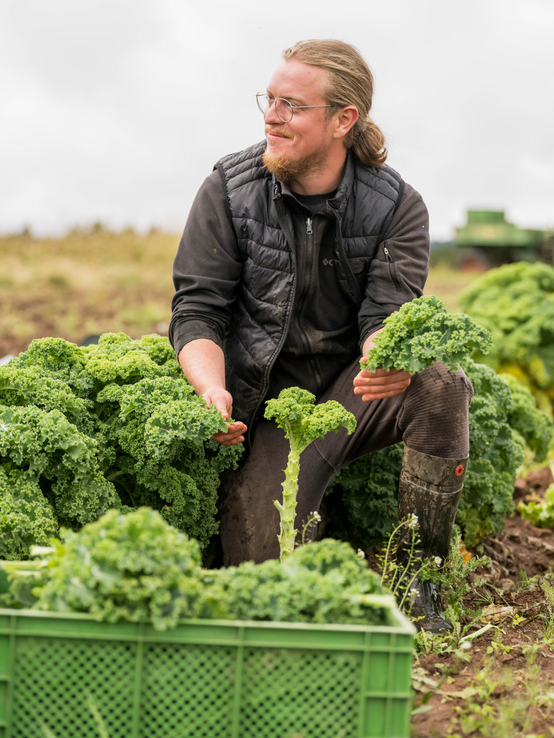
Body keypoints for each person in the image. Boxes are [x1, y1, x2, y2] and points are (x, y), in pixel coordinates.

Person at [169, 38, 473, 633]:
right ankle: (311, 508)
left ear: (343, 120)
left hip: (352, 389)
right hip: (266, 399)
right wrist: (210, 389)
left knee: (440, 383)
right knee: (263, 569)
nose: (271, 117)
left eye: (291, 105)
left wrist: (386, 355)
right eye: (269, 100)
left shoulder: (397, 207)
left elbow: (387, 312)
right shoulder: (229, 191)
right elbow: (198, 310)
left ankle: (420, 583)